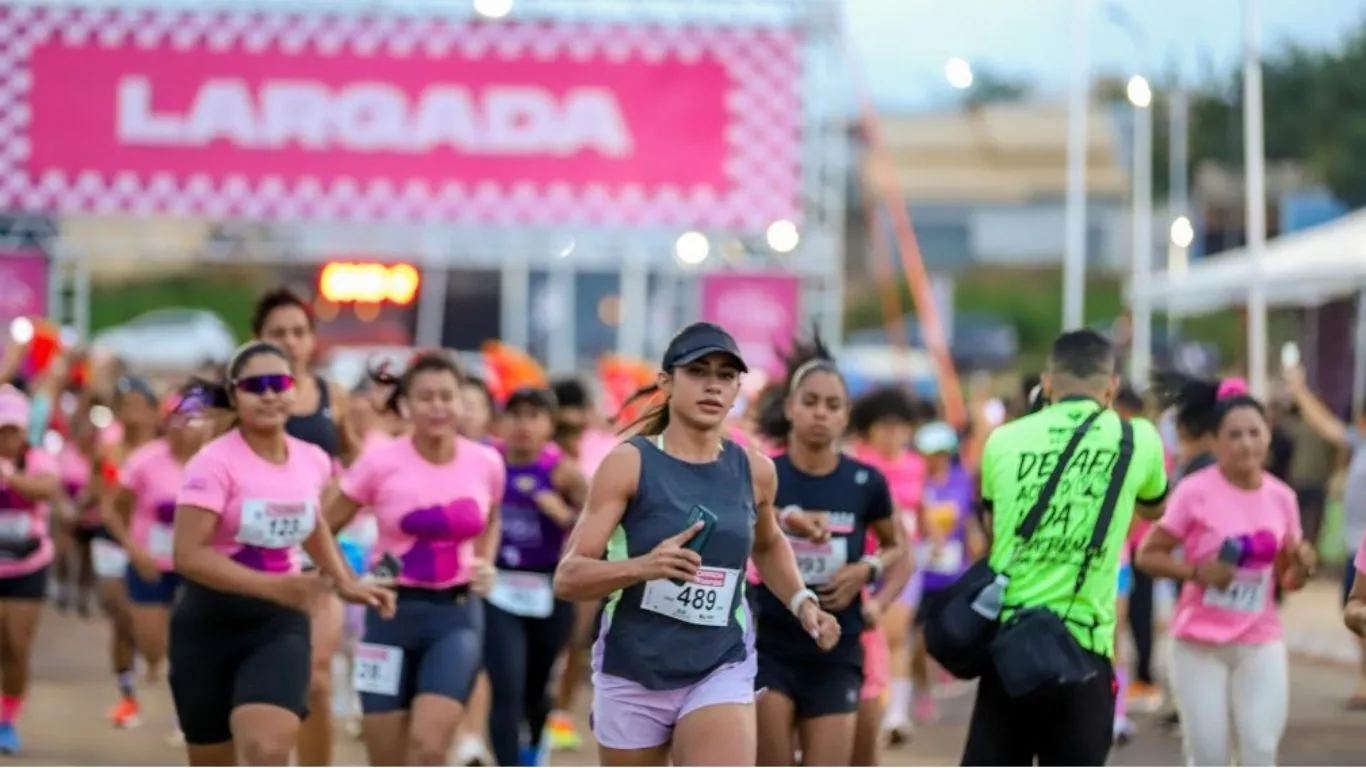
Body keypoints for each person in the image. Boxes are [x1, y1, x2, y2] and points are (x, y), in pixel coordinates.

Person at [554, 322, 840, 767]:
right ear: (666, 382)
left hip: (719, 663)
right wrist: (644, 566)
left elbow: (767, 544)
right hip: (633, 668)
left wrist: (803, 601)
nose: (713, 385)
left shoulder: (755, 471)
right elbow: (569, 577)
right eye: (699, 371)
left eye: (726, 376)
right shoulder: (628, 464)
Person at [167, 341, 394, 767]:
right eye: (256, 386)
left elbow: (312, 524)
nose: (270, 394)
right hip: (207, 626)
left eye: (279, 383)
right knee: (211, 759)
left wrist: (346, 583)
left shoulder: (312, 460)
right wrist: (274, 585)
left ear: (294, 390)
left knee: (267, 749)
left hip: (278, 626)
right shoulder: (212, 463)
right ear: (234, 396)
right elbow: (187, 554)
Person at [961, 330, 1168, 766]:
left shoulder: (1003, 439)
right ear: (1111, 386)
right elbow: (1154, 508)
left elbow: (992, 524)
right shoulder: (1140, 439)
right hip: (1086, 648)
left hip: (1011, 645)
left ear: (1047, 383)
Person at [324, 352, 504, 766]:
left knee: (428, 745)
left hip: (455, 616)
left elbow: (491, 518)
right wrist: (345, 581)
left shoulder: (486, 463)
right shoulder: (379, 462)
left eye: (447, 396)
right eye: (426, 397)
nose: (438, 406)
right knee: (386, 755)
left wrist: (486, 562)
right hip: (387, 613)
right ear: (405, 404)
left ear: (462, 401)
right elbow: (323, 528)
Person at [1137, 374, 1315, 766]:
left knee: (1260, 749)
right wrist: (1199, 573)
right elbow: (1148, 555)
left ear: (1268, 437)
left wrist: (1302, 565)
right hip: (1198, 643)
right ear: (1215, 442)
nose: (1246, 443)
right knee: (1209, 755)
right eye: (1234, 435)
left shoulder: (1282, 498)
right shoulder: (1194, 492)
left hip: (1259, 640)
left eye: (1255, 433)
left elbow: (1288, 579)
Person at [751, 347, 910, 766]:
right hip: (771, 643)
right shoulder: (767, 475)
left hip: (836, 648)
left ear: (845, 415)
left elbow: (901, 549)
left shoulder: (865, 482)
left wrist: (870, 577)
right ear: (789, 408)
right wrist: (787, 519)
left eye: (832, 405)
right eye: (810, 402)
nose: (820, 413)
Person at [252, 287, 354, 766]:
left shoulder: (334, 396)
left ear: (313, 340)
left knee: (314, 675)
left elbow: (354, 457)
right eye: (278, 333)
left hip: (316, 552)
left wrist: (338, 494)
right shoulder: (237, 397)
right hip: (251, 556)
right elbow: (196, 437)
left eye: (298, 332)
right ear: (258, 340)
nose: (290, 341)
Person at [485, 387, 587, 766]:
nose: (523, 425)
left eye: (534, 416)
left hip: (549, 588)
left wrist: (564, 515)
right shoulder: (487, 462)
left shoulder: (562, 471)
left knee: (535, 685)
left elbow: (604, 525)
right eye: (516, 415)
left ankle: (536, 738)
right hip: (498, 587)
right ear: (501, 422)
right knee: (506, 685)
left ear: (549, 425)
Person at [103, 390, 209, 721]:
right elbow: (111, 510)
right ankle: (153, 668)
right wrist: (135, 551)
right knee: (153, 644)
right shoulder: (145, 461)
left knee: (195, 643)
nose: (185, 427)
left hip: (195, 566)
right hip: (150, 564)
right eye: (177, 419)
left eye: (193, 419)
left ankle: (192, 713)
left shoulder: (213, 462)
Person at [1281, 363, 1366, 707]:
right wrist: (1299, 390)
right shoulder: (1359, 445)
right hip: (1356, 548)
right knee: (1355, 612)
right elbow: (1324, 424)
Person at [846, 387, 924, 741]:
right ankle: (864, 706)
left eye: (900, 427)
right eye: (885, 427)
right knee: (864, 637)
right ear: (869, 429)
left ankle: (895, 715)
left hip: (904, 561)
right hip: (861, 561)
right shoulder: (857, 461)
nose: (893, 435)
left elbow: (923, 509)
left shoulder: (916, 464)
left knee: (895, 635)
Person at [546, 377, 614, 753]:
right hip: (538, 567)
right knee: (549, 646)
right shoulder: (540, 458)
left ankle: (558, 715)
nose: (573, 434)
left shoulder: (602, 452)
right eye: (565, 428)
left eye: (578, 427)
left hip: (583, 562)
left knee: (575, 642)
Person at [908, 421, 983, 722]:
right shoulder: (914, 481)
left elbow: (968, 518)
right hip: (920, 574)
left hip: (954, 572)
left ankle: (946, 667)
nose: (936, 458)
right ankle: (923, 690)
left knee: (952, 630)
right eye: (930, 453)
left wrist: (975, 540)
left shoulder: (961, 479)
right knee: (918, 636)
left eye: (941, 452)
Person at [0, 385, 60, 755]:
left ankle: (7, 721)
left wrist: (9, 477)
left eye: (13, 429)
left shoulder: (38, 459)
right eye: (1, 429)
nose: (7, 436)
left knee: (16, 646)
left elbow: (47, 490)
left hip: (28, 564)